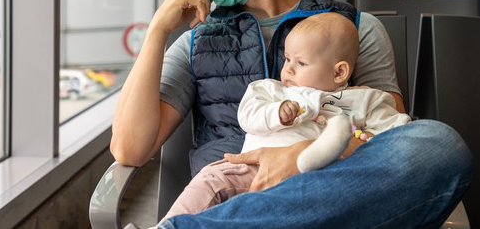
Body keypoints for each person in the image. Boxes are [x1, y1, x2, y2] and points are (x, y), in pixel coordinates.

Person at [111, 0, 473, 228]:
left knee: (439, 144)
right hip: (232, 198)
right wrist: (158, 30)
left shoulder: (355, 29)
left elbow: (391, 144)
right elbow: (129, 150)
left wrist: (300, 157)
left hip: (328, 203)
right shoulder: (196, 42)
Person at [153, 12, 411, 224]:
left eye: (301, 63)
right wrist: (277, 114)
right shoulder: (271, 90)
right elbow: (247, 116)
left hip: (323, 179)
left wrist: (366, 140)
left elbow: (399, 134)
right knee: (211, 180)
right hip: (253, 170)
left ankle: (333, 140)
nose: (287, 68)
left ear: (339, 72)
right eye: (287, 59)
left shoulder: (361, 99)